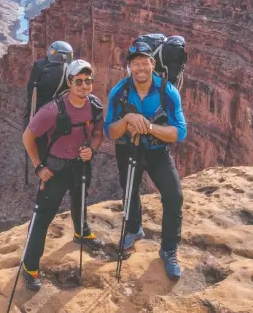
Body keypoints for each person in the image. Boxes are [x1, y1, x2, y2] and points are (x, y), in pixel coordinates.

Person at [104, 42, 187, 280]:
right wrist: (129, 118)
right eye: (135, 63)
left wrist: (149, 127)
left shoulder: (167, 91)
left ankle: (169, 249)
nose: (140, 68)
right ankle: (133, 230)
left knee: (174, 196)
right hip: (127, 150)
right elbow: (110, 131)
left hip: (157, 151)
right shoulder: (119, 92)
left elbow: (180, 133)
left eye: (144, 63)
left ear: (153, 64)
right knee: (129, 191)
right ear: (129, 66)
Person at [22, 59, 105, 290]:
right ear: (69, 82)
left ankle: (82, 233)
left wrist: (93, 149)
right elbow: (27, 137)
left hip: (80, 165)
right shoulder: (51, 110)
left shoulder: (95, 106)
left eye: (88, 81)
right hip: (55, 170)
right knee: (42, 218)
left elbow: (98, 134)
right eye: (78, 81)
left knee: (80, 201)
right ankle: (30, 267)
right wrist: (39, 166)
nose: (84, 86)